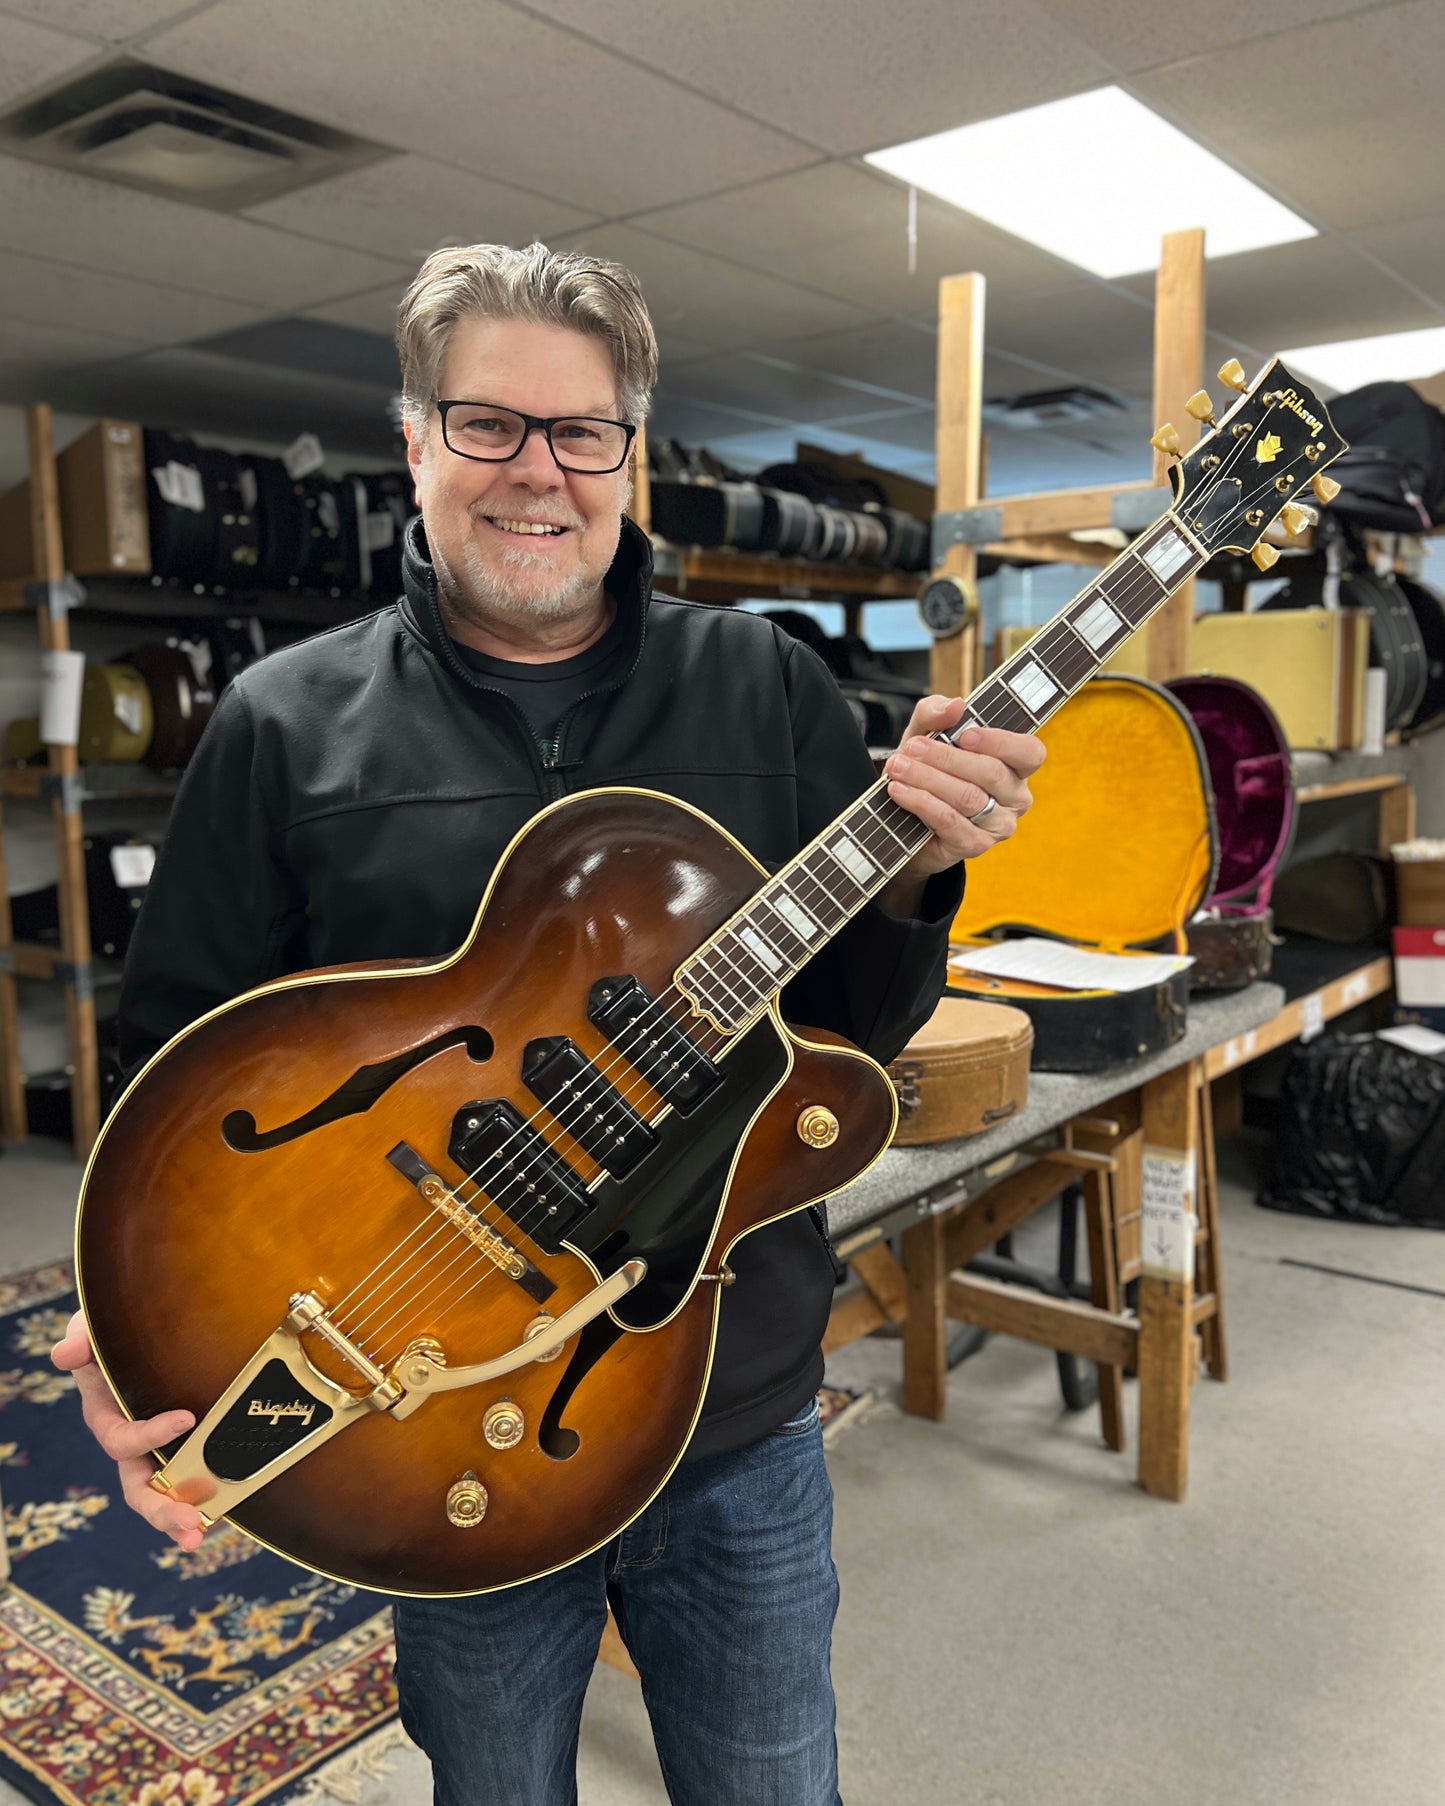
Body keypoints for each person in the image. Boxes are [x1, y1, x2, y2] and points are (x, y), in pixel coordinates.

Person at [53, 242, 1044, 1806]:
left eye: (583, 432)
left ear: (630, 453)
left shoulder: (767, 687)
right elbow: (180, 1075)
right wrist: (130, 1312)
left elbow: (846, 1034)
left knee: (775, 1781)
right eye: (487, 424)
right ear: (413, 442)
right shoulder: (280, 723)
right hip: (434, 1404)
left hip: (731, 1397)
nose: (539, 473)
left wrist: (920, 871)